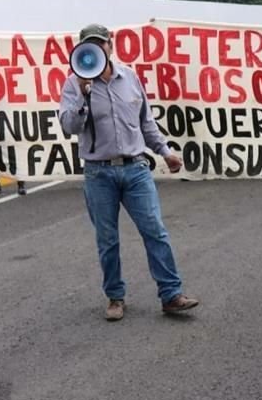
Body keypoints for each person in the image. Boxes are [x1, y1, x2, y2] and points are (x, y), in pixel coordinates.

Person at [59, 23, 198, 321]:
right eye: (89, 46)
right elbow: (69, 126)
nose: (97, 50)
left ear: (111, 45)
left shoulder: (130, 77)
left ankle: (171, 294)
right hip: (99, 174)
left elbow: (146, 122)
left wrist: (166, 152)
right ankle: (115, 297)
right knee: (107, 240)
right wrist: (83, 96)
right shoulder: (73, 84)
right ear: (82, 50)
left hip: (135, 169)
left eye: (101, 44)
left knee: (155, 231)